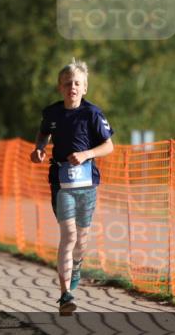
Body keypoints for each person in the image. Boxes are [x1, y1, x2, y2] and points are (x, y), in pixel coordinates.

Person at [30, 59, 114, 315]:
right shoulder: (52, 113)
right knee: (69, 235)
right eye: (67, 83)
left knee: (81, 239)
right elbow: (44, 133)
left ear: (84, 88)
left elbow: (109, 146)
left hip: (87, 184)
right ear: (60, 87)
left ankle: (77, 266)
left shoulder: (92, 114)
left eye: (77, 83)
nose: (72, 87)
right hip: (61, 182)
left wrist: (86, 154)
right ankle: (65, 295)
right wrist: (39, 149)